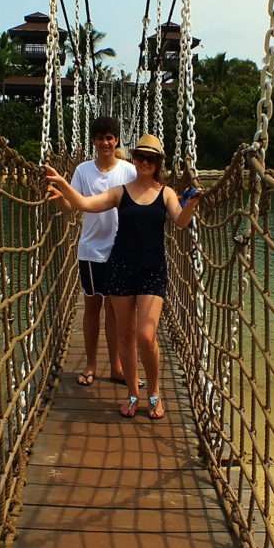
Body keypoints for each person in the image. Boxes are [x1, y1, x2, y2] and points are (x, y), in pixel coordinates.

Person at [45, 134, 202, 420]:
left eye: (150, 158)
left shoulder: (165, 192)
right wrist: (64, 185)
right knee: (125, 336)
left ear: (157, 163)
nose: (144, 162)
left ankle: (154, 392)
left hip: (152, 269)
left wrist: (191, 204)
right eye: (140, 157)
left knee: (145, 334)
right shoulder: (120, 192)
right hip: (120, 267)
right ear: (134, 159)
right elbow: (83, 204)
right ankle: (133, 393)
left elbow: (180, 221)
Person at [55, 116, 136, 387]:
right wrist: (60, 202)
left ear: (117, 141)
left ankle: (116, 367)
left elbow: (143, 200)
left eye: (110, 137)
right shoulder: (82, 170)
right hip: (91, 251)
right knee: (92, 308)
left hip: (120, 250)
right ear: (94, 141)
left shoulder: (129, 171)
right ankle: (90, 365)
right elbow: (71, 205)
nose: (105, 142)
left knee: (114, 310)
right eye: (100, 137)